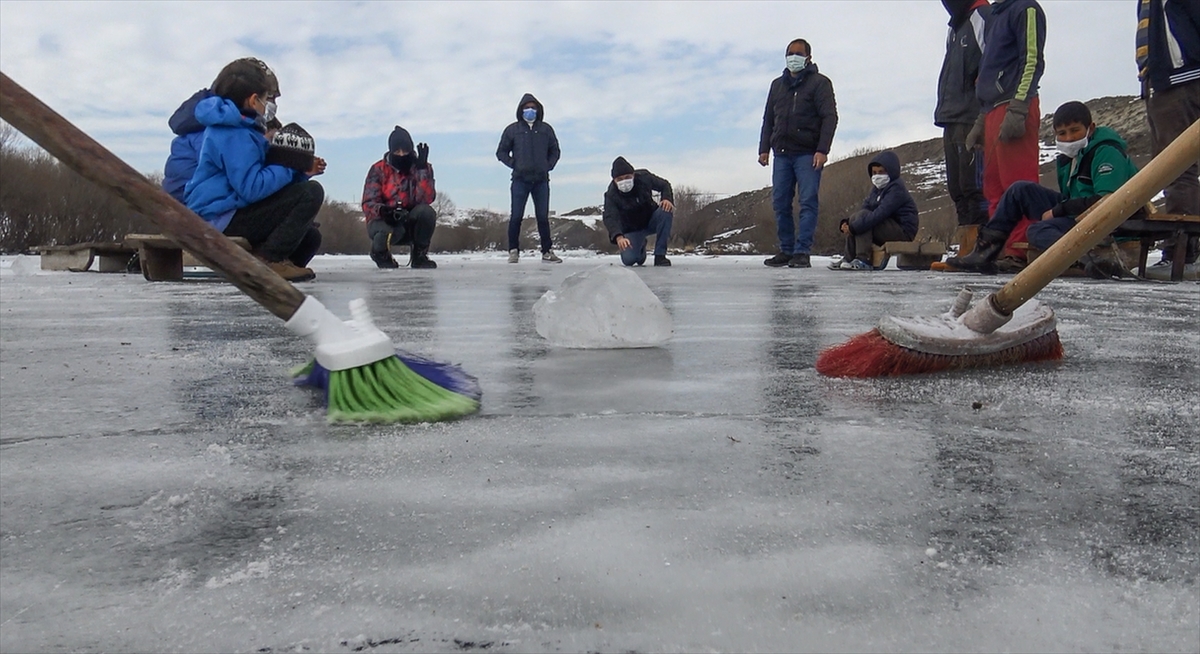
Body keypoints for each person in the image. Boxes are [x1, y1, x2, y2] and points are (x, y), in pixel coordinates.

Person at [948, 101, 1140, 277]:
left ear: (1090, 129)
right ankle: (985, 252)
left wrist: (1058, 211)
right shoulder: (1069, 157)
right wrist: (1061, 209)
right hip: (1079, 213)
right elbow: (1071, 198)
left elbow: (1106, 202)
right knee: (1019, 190)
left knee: (1037, 231)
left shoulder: (1106, 151)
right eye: (1062, 133)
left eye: (1075, 131)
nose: (1069, 138)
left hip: (1106, 221)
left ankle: (1089, 261)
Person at [165, 59, 322, 270]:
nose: (270, 105)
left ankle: (260, 261)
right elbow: (251, 188)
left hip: (228, 211)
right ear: (253, 99)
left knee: (309, 238)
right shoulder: (232, 133)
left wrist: (299, 173)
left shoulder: (244, 129)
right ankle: (267, 262)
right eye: (268, 98)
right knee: (310, 193)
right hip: (218, 219)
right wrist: (289, 165)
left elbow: (257, 176)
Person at [759, 38, 838, 269]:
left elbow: (829, 117)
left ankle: (802, 251)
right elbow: (768, 120)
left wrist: (822, 150)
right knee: (780, 203)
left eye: (798, 53)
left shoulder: (820, 83)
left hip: (807, 154)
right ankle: (786, 250)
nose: (793, 57)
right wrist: (764, 148)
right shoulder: (776, 85)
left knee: (808, 202)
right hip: (781, 154)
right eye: (790, 53)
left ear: (808, 58)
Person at [965, 0, 1046, 222]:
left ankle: (1020, 251)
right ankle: (999, 246)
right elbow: (989, 70)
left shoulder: (1026, 8)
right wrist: (982, 119)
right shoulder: (997, 15)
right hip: (992, 109)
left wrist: (1019, 108)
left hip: (1013, 105)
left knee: (1017, 186)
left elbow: (1032, 60)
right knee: (994, 188)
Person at [1138, 0, 1200, 279]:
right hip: (1162, 84)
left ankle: (1182, 254)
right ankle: (1182, 251)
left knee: (1177, 169)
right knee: (1170, 170)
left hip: (1180, 80)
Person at [935, 0, 991, 229]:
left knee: (973, 185)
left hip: (972, 115)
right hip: (950, 114)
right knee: (956, 188)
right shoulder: (955, 27)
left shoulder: (983, 16)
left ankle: (983, 241)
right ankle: (966, 241)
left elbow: (993, 60)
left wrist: (984, 106)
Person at [496, 93, 562, 264]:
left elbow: (555, 150)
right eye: (526, 108)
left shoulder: (546, 129)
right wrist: (514, 163)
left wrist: (548, 165)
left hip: (541, 180)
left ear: (538, 109)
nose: (530, 110)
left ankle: (547, 251)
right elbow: (501, 152)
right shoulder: (513, 130)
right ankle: (513, 251)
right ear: (521, 110)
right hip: (520, 180)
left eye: (533, 107)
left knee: (542, 217)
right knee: (516, 216)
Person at [361, 126, 438, 270]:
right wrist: (383, 211)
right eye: (397, 151)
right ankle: (381, 254)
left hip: (409, 220)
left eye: (405, 151)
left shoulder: (421, 167)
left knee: (427, 212)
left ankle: (419, 256)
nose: (401, 155)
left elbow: (426, 199)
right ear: (391, 151)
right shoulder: (378, 169)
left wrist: (422, 171)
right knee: (383, 233)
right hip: (383, 221)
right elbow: (368, 202)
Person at [831, 152, 919, 271]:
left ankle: (863, 259)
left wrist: (854, 227)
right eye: (874, 173)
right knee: (857, 217)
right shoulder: (877, 189)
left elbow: (880, 214)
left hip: (902, 231)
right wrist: (847, 223)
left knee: (864, 220)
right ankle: (848, 258)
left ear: (891, 171)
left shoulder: (896, 189)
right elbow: (865, 208)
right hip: (886, 227)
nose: (877, 176)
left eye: (881, 172)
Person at [602, 157, 675, 267]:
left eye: (627, 177)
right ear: (614, 181)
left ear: (633, 175)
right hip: (631, 230)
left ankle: (660, 256)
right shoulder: (611, 194)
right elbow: (610, 216)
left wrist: (667, 198)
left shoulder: (644, 177)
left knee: (665, 210)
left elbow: (664, 185)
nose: (624, 181)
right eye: (620, 179)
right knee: (629, 260)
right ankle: (640, 249)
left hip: (651, 220)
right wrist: (619, 236)